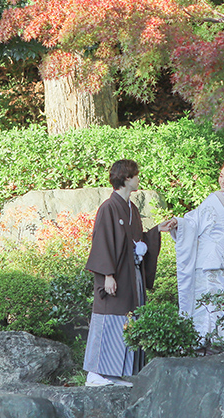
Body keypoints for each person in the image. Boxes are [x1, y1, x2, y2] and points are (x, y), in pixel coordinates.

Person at [161, 160, 224, 345]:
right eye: (221, 176)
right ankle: (204, 343)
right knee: (210, 303)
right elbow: (194, 222)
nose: (223, 181)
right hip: (210, 261)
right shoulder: (213, 199)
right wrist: (179, 223)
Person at [83, 159, 161, 387]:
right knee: (110, 318)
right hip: (115, 275)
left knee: (128, 319)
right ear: (126, 178)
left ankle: (116, 373)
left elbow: (137, 240)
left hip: (131, 275)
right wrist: (107, 275)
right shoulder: (109, 207)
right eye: (136, 175)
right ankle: (95, 372)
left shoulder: (131, 208)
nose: (139, 179)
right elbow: (102, 241)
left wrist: (157, 231)